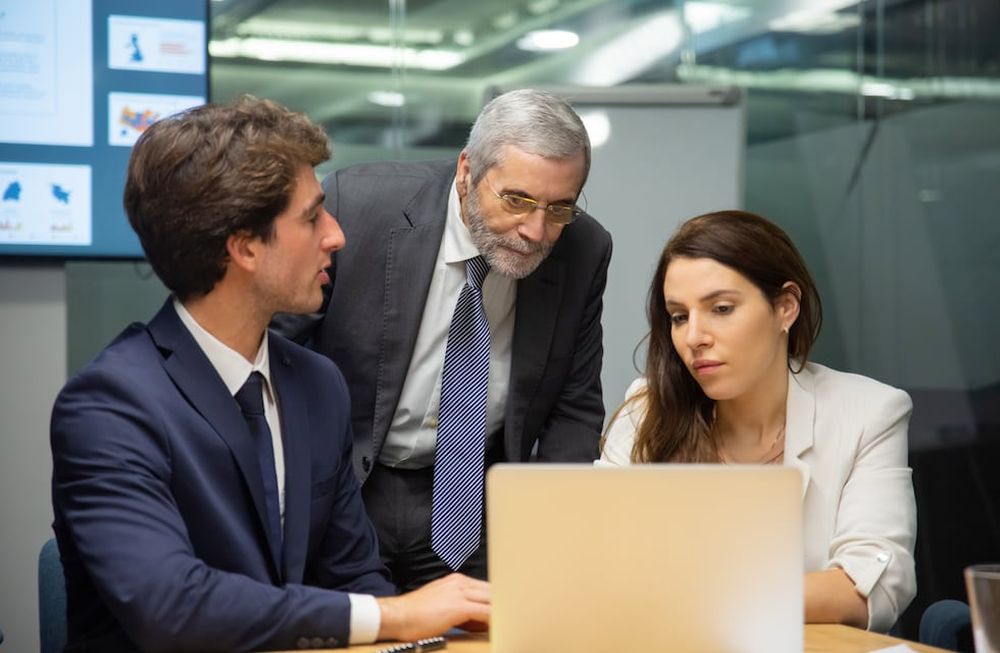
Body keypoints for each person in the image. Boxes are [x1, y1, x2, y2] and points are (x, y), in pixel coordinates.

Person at [50, 96, 489, 652]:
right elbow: (172, 606)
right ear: (244, 248)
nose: (336, 234)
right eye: (312, 217)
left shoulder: (316, 384)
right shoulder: (109, 406)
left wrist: (411, 628)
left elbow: (354, 576)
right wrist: (396, 615)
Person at [275, 88, 613, 591]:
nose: (536, 231)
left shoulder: (583, 249)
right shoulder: (359, 207)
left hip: (474, 502)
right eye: (517, 200)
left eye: (559, 208)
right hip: (347, 487)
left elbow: (574, 408)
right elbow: (278, 351)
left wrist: (548, 536)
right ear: (466, 171)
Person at [600, 210, 916, 633]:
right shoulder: (648, 409)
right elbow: (597, 556)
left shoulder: (869, 412)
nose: (694, 337)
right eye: (679, 316)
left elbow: (874, 585)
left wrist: (706, 596)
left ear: (785, 307)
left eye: (721, 308)